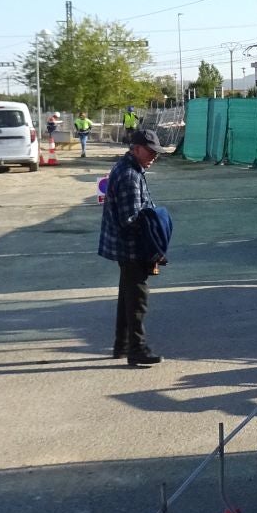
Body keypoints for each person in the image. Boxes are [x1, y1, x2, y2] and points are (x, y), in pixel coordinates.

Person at [99, 128, 167, 366]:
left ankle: (123, 344)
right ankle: (137, 349)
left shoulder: (131, 168)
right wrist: (153, 244)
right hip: (132, 249)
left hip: (126, 247)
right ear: (136, 149)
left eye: (156, 153)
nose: (154, 156)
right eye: (150, 152)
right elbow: (130, 220)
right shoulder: (129, 175)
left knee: (127, 296)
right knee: (137, 299)